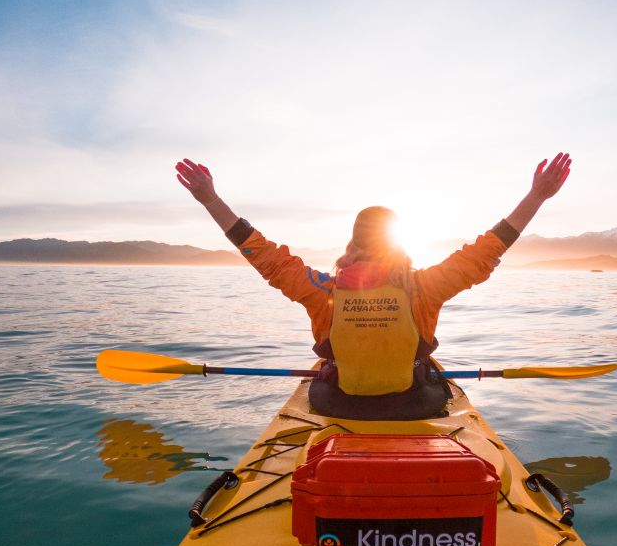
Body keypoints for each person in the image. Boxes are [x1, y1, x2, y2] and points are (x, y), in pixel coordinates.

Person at [176, 153, 571, 419]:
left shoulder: (322, 291)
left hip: (339, 406)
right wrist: (537, 196)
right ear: (398, 244)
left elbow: (263, 255)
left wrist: (210, 199)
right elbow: (486, 251)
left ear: (352, 244)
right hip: (414, 405)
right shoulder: (425, 288)